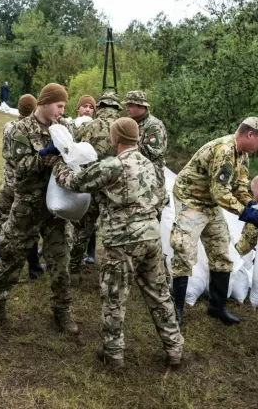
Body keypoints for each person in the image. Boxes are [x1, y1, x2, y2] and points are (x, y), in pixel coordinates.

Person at [54, 118, 184, 368]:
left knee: (114, 296)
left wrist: (60, 164)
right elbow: (161, 199)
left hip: (122, 240)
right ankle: (174, 348)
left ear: (116, 138)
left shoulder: (113, 165)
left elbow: (75, 183)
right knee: (159, 294)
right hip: (151, 236)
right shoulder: (150, 165)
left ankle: (113, 354)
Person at [0, 83, 79, 336]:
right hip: (27, 206)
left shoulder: (64, 128)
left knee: (60, 261)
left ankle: (62, 312)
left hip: (57, 207)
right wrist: (43, 157)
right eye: (59, 106)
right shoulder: (19, 129)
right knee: (11, 257)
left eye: (64, 107)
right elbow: (19, 167)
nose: (62, 111)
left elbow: (73, 160)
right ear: (45, 103)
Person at [169, 117, 258, 326]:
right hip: (191, 199)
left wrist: (253, 206)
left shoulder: (242, 155)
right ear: (250, 134)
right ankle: (177, 308)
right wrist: (246, 214)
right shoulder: (225, 150)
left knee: (222, 251)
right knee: (184, 248)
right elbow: (220, 193)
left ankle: (217, 307)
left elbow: (240, 188)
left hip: (210, 202)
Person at [0, 94, 44, 280]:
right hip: (25, 185)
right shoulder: (32, 130)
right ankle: (34, 268)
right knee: (29, 225)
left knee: (1, 222)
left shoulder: (8, 126)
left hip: (8, 182)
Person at [69, 92, 121, 282]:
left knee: (83, 229)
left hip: (92, 184)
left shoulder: (90, 125)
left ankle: (74, 269)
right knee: (113, 231)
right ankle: (111, 274)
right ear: (117, 109)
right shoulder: (123, 127)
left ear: (99, 107)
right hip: (113, 187)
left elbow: (75, 148)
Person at [124, 91, 169, 209]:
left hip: (152, 179)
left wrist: (128, 145)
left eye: (131, 105)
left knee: (154, 214)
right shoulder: (131, 123)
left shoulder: (153, 125)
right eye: (127, 105)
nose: (127, 109)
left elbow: (154, 152)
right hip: (136, 178)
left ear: (141, 106)